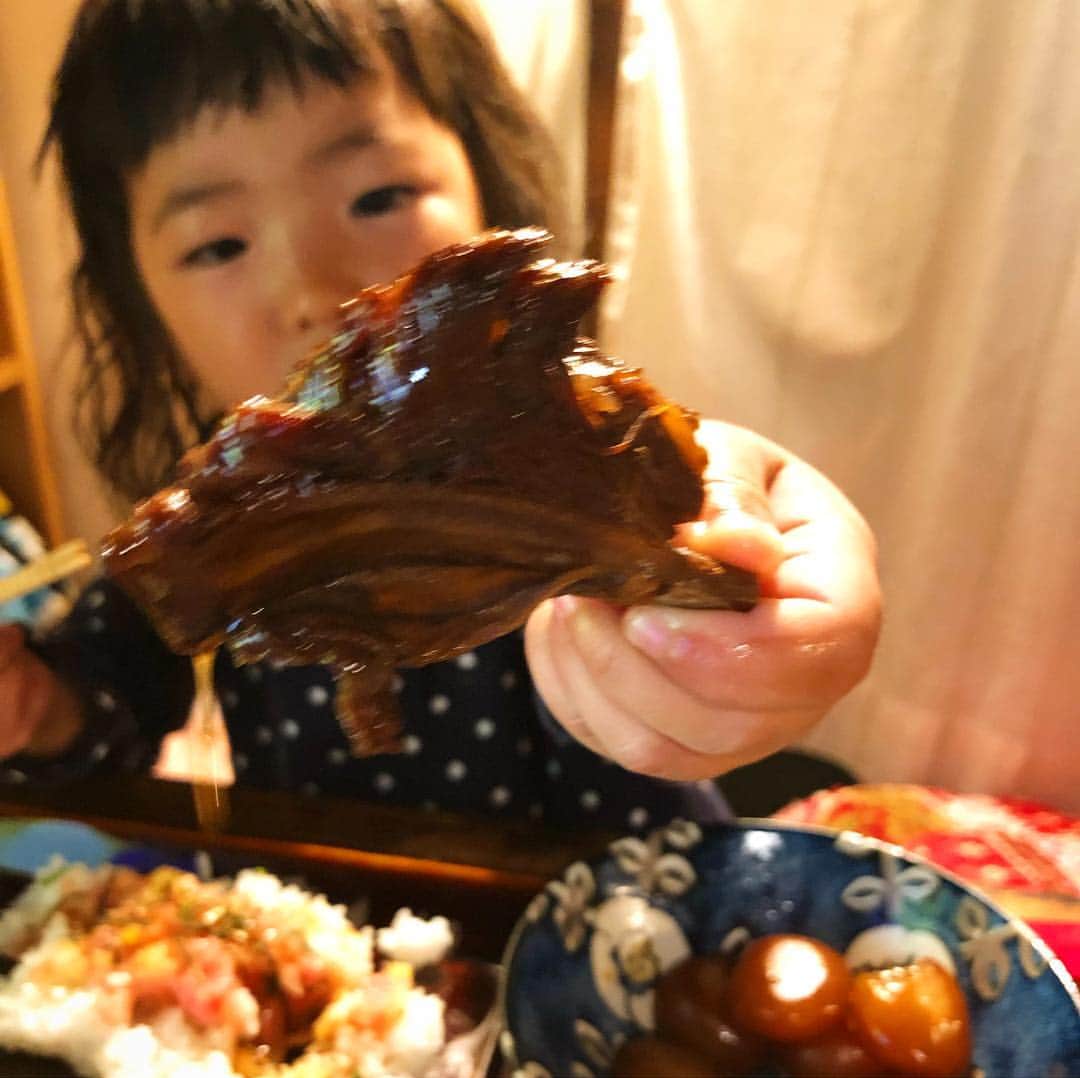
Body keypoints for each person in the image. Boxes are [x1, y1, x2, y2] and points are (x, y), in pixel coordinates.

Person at [0, 0, 880, 831]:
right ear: (148, 319)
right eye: (219, 244)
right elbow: (107, 719)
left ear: (486, 194)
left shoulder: (577, 472)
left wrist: (766, 608)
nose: (314, 290)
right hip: (343, 920)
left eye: (376, 197)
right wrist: (34, 708)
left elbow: (722, 530)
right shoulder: (214, 536)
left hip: (624, 903)